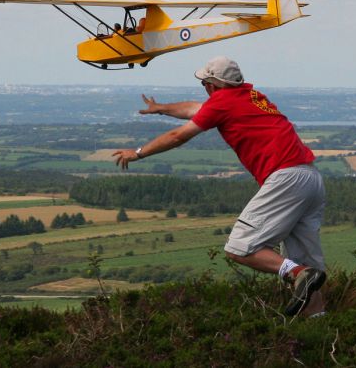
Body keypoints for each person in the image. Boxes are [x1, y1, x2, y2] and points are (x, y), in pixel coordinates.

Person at [113, 55, 326, 317]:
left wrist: (138, 153)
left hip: (286, 178)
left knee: (240, 247)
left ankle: (297, 273)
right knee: (307, 261)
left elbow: (178, 135)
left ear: (213, 86)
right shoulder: (251, 96)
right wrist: (161, 108)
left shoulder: (223, 102)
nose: (205, 90)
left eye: (205, 84)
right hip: (311, 178)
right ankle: (318, 321)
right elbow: (194, 109)